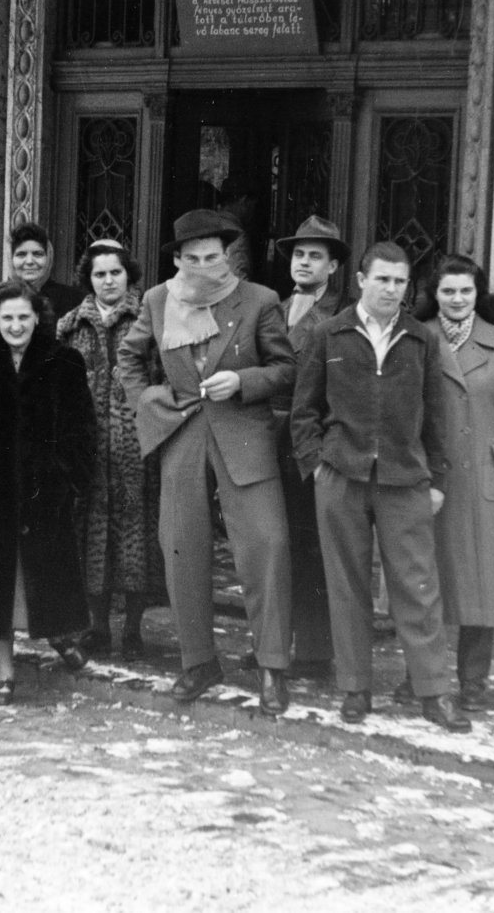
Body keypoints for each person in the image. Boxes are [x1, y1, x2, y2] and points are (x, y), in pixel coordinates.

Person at [117, 209, 295, 716]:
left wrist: (244, 382)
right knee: (180, 544)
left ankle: (271, 665)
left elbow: (286, 369)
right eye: (192, 259)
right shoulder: (156, 300)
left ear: (228, 255)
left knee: (267, 542)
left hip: (244, 433)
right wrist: (149, 400)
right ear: (177, 259)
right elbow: (128, 359)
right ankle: (198, 660)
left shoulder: (260, 300)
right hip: (183, 430)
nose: (203, 267)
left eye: (212, 257)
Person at [290, 241, 469, 732]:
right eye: (383, 279)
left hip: (404, 479)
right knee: (347, 587)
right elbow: (304, 409)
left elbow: (437, 416)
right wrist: (316, 465)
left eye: (400, 281)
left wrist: (437, 478)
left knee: (417, 586)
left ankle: (433, 691)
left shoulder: (422, 340)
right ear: (361, 281)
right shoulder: (329, 335)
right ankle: (355, 689)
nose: (392, 289)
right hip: (342, 477)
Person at [0, 280, 96, 704]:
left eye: (24, 316)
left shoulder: (64, 361)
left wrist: (66, 475)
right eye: (7, 317)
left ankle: (61, 638)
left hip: (45, 492)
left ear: (38, 317)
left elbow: (82, 428)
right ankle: (6, 673)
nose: (16, 325)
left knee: (44, 578)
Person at [414, 255, 494, 711]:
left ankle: (473, 681)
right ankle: (422, 675)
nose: (457, 299)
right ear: (435, 295)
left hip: (489, 478)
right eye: (448, 291)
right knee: (426, 580)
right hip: (433, 478)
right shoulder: (418, 338)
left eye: (466, 291)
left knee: (483, 586)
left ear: (478, 294)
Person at [56, 239, 165, 659]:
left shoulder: (151, 320)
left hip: (137, 446)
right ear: (88, 279)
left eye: (115, 272)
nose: (107, 281)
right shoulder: (69, 327)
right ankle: (98, 626)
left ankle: (134, 628)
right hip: (87, 446)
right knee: (91, 535)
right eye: (99, 274)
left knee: (136, 533)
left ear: (129, 275)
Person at [263, 215, 355, 680]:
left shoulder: (342, 317)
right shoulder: (274, 308)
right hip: (268, 441)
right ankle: (273, 648)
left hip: (312, 442)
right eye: (299, 254)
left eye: (315, 255)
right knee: (272, 544)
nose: (304, 262)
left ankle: (315, 651)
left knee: (311, 546)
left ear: (334, 266)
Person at [0, 222, 84, 342]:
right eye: (21, 254)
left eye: (38, 254)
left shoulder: (73, 301)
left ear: (49, 257)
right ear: (10, 258)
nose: (29, 261)